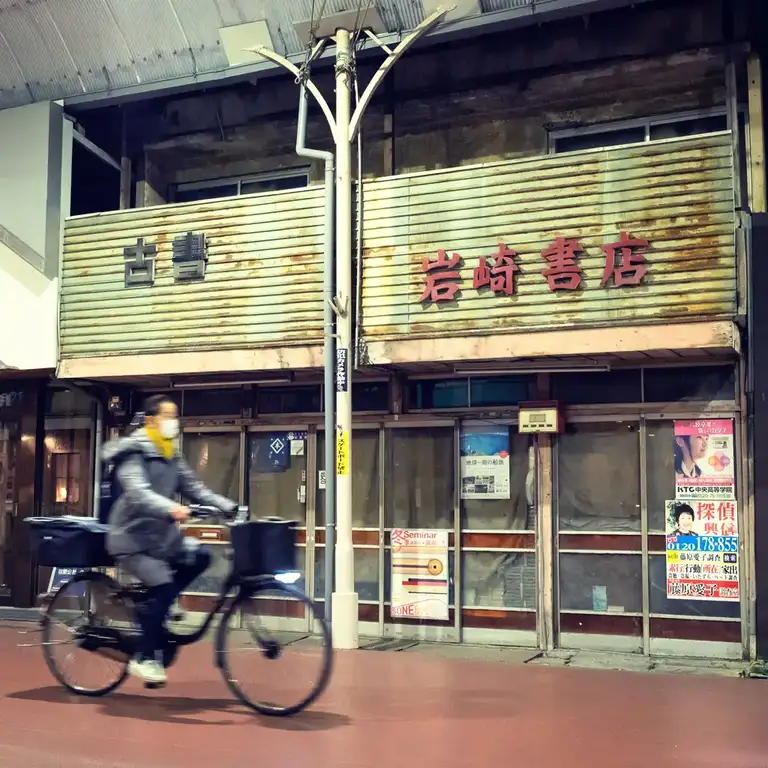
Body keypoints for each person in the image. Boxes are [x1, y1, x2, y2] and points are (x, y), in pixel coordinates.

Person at [103, 395, 237, 685]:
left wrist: (227, 506)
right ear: (150, 420)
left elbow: (193, 487)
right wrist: (171, 508)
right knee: (164, 588)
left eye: (175, 416)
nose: (173, 422)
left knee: (201, 555)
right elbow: (138, 492)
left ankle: (159, 606)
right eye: (168, 416)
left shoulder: (170, 452)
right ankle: (143, 658)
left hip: (161, 539)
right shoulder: (133, 451)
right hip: (131, 539)